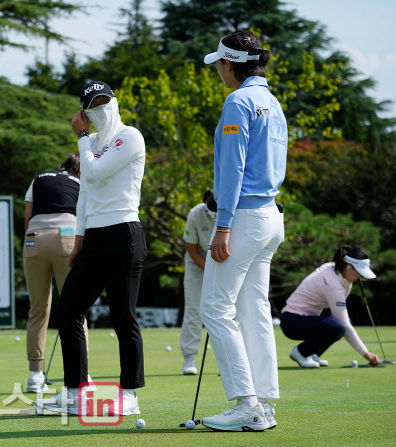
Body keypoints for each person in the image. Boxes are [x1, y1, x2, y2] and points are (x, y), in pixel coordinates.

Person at [36, 80, 147, 415]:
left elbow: (96, 172)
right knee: (68, 310)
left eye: (105, 100)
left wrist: (82, 139)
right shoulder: (93, 142)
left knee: (122, 316)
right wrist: (79, 239)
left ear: (114, 101)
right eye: (93, 104)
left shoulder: (129, 136)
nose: (101, 107)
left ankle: (129, 394)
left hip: (124, 232)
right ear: (85, 111)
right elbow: (85, 192)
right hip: (94, 237)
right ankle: (75, 392)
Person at [199, 31, 287, 432]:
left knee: (215, 308)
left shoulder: (238, 101)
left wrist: (222, 226)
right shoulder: (271, 101)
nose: (217, 70)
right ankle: (263, 404)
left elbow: (231, 171)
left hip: (246, 220)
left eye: (218, 64)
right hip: (271, 217)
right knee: (254, 310)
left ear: (228, 65)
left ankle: (246, 403)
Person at [23, 153, 91, 393]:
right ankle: (83, 374)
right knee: (75, 308)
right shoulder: (81, 182)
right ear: (78, 171)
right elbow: (84, 218)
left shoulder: (38, 179)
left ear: (61, 166)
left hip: (34, 239)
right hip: (67, 236)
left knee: (38, 308)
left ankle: (34, 375)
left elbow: (28, 218)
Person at [280, 245, 380, 368]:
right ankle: (300, 353)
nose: (361, 276)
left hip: (303, 318)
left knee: (341, 323)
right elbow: (344, 325)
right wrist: (366, 354)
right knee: (338, 327)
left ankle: (314, 354)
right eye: (360, 272)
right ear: (349, 266)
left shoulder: (334, 269)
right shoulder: (333, 284)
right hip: (292, 322)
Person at [179, 189, 216, 375]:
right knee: (194, 309)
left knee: (230, 311)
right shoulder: (195, 213)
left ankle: (230, 360)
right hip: (197, 261)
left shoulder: (234, 210)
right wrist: (210, 272)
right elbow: (192, 250)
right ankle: (189, 356)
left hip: (226, 260)